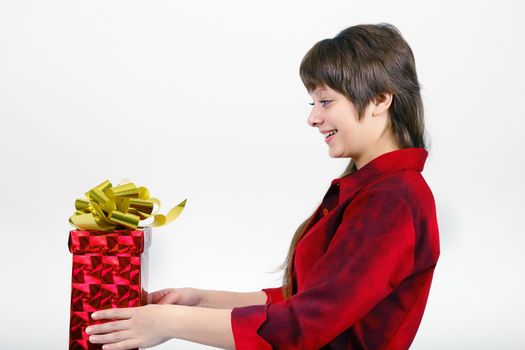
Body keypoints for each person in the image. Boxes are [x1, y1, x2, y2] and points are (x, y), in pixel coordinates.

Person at [86, 22, 440, 350]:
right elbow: (302, 300)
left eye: (326, 101)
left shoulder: (392, 201)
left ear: (380, 99)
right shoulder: (372, 190)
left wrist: (171, 322)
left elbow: (306, 324)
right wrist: (198, 298)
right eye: (312, 103)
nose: (313, 117)